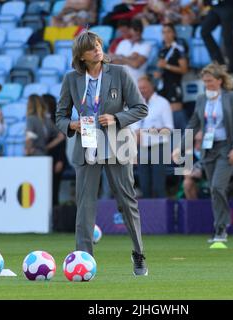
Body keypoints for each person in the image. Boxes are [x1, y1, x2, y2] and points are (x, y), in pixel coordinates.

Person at [55, 31, 149, 276]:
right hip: (87, 146)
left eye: (98, 45)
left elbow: (141, 108)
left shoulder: (119, 73)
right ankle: (83, 259)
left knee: (126, 203)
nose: (97, 49)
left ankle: (139, 254)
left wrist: (117, 118)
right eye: (91, 48)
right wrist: (71, 125)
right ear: (81, 56)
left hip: (117, 145)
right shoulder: (71, 79)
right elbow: (60, 117)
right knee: (85, 206)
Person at [173, 63, 233, 243]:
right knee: (214, 190)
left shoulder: (232, 97)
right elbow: (193, 124)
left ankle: (221, 226)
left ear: (220, 81)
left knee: (217, 187)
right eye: (205, 81)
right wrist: (180, 148)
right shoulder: (201, 99)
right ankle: (219, 226)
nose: (208, 85)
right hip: (208, 149)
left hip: (226, 148)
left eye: (211, 81)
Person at [131, 75, 174, 198]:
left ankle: (161, 216)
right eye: (139, 88)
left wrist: (151, 131)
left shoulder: (163, 103)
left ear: (152, 87)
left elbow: (169, 128)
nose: (141, 90)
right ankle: (148, 216)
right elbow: (134, 129)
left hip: (159, 148)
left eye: (144, 87)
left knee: (158, 187)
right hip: (142, 148)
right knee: (145, 186)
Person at [154, 23, 189, 130]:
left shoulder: (178, 49)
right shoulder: (162, 50)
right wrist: (158, 74)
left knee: (177, 115)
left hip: (174, 85)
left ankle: (186, 142)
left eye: (168, 31)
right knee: (164, 115)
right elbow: (161, 68)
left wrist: (167, 66)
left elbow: (184, 69)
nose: (166, 35)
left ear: (174, 33)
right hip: (163, 86)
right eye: (164, 32)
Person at [201, 0, 233, 73]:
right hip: (215, 6)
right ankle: (219, 63)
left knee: (227, 36)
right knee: (204, 32)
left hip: (228, 6)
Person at [43, 94, 68, 207]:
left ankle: (55, 217)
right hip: (43, 158)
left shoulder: (58, 120)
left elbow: (63, 143)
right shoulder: (41, 120)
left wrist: (60, 160)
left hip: (56, 158)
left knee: (54, 189)